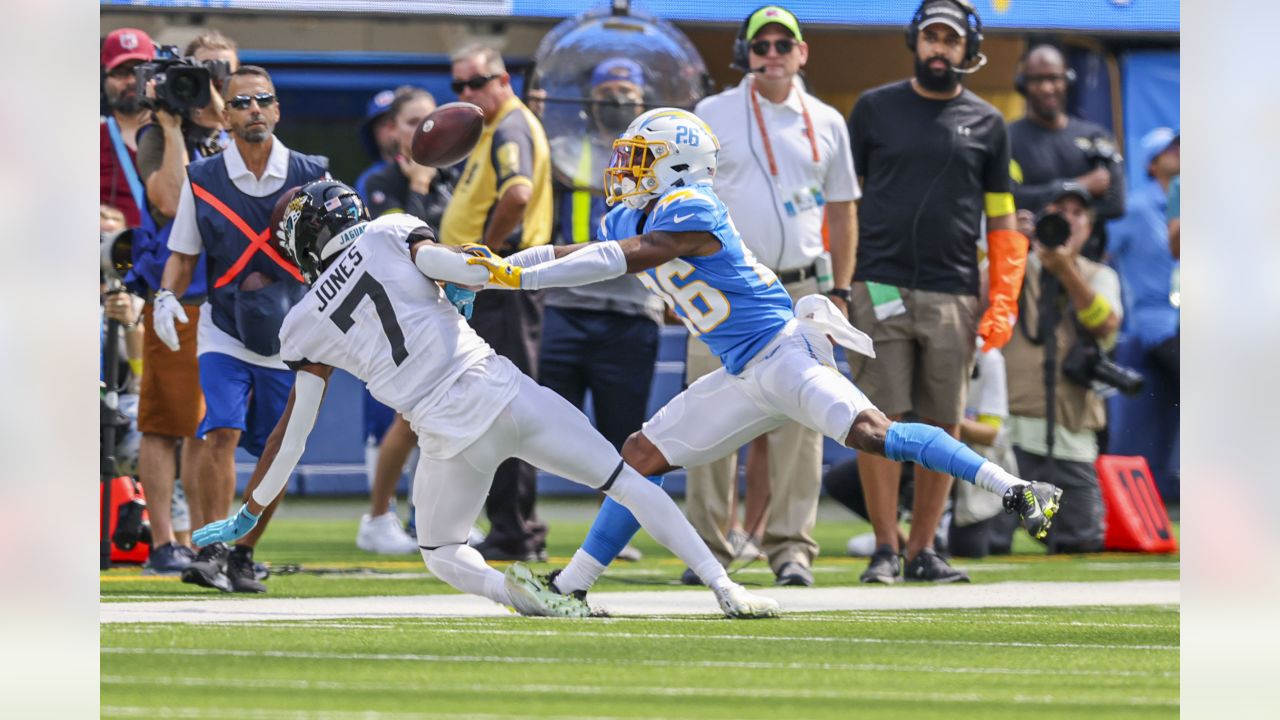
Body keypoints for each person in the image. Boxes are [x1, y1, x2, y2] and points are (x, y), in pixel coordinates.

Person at [463, 108, 1060, 600]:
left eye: (640, 158)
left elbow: (623, 258)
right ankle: (571, 588)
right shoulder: (636, 210)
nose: (626, 170)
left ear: (678, 163)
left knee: (873, 432)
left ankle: (1017, 488)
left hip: (784, 352)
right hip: (743, 371)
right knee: (640, 457)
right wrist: (498, 268)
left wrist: (518, 282)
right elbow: (575, 250)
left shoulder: (692, 206)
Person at [191, 179, 780, 620]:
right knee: (627, 481)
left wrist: (251, 514)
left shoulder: (302, 323)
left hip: (445, 432)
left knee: (442, 551)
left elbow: (292, 438)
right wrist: (475, 277)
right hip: (501, 388)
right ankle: (724, 586)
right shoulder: (391, 228)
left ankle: (518, 596)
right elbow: (461, 267)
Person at [845, 0, 1029, 583]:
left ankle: (924, 549)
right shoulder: (873, 109)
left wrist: (1003, 295)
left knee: (945, 424)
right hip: (877, 283)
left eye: (950, 40)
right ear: (914, 41)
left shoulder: (989, 123)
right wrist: (839, 281)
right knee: (877, 418)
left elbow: (1002, 222)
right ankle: (883, 548)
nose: (939, 49)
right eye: (931, 38)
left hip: (954, 292)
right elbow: (843, 203)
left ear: (968, 49)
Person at [688, 5, 860, 587]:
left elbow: (842, 207)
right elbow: (682, 201)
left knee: (804, 424)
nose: (772, 54)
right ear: (746, 53)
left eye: (784, 43)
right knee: (705, 416)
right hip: (725, 290)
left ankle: (791, 551)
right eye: (761, 44)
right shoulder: (710, 115)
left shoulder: (828, 120)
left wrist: (840, 287)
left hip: (803, 287)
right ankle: (707, 549)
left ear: (802, 53)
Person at [154, 66, 330, 593]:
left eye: (264, 100)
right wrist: (166, 295)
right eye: (243, 102)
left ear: (276, 110)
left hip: (292, 331)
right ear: (225, 115)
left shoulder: (313, 173)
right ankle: (210, 548)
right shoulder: (202, 177)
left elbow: (338, 255)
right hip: (223, 326)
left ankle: (243, 553)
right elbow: (183, 254)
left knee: (280, 449)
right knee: (220, 429)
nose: (255, 108)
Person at [540, 58, 663, 563]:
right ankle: (521, 523)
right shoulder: (561, 149)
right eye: (607, 90)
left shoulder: (661, 157)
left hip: (630, 309)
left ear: (643, 100)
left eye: (627, 91)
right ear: (588, 100)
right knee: (544, 421)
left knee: (623, 427)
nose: (616, 100)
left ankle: (612, 531)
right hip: (563, 304)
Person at [130, 29, 239, 575]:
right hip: (178, 293)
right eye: (204, 71)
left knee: (212, 425)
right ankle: (165, 541)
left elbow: (235, 138)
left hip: (227, 296)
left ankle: (203, 541)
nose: (212, 82)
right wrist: (173, 124)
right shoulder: (158, 132)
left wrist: (217, 98)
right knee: (165, 422)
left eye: (224, 71)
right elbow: (170, 201)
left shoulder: (235, 126)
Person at [439, 44, 553, 562]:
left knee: (504, 406)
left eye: (477, 82)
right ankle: (508, 524)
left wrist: (483, 259)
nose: (467, 94)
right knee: (492, 404)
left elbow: (518, 194)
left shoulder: (508, 126)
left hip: (502, 284)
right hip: (496, 285)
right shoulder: (493, 128)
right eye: (458, 86)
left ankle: (515, 528)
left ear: (503, 79)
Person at [356, 87, 459, 555]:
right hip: (389, 319)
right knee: (398, 419)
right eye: (412, 120)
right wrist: (416, 188)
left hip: (439, 315)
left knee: (439, 420)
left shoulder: (450, 181)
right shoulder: (378, 181)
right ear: (393, 129)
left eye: (429, 119)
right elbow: (400, 250)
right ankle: (379, 517)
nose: (423, 128)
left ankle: (427, 518)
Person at [1005, 184, 1121, 553]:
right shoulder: (1014, 263)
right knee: (979, 542)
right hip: (1009, 435)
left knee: (1082, 540)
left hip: (1070, 433)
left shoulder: (1099, 274)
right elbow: (977, 308)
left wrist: (1065, 269)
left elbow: (1105, 325)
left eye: (1078, 213)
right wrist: (1009, 244)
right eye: (1059, 210)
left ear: (1088, 227)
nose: (1068, 219)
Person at [1009, 45, 1125, 223]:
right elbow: (1009, 198)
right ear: (1023, 84)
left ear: (1068, 80)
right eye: (1037, 79)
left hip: (1087, 251)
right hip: (1029, 249)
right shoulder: (1007, 138)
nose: (1047, 88)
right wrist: (1078, 186)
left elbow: (1116, 204)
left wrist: (1043, 201)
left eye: (1054, 78)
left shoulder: (1095, 136)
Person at [1108, 128, 1179, 382]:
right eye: (1171, 149)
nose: (1181, 153)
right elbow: (1102, 253)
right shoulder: (1135, 208)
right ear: (1152, 164)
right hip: (1159, 326)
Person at [101, 27, 156, 229]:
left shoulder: (178, 133)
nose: (132, 81)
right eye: (121, 73)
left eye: (140, 71)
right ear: (103, 79)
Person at [353, 88, 400, 202]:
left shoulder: (432, 169)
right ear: (373, 133)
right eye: (384, 124)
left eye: (394, 121)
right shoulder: (367, 180)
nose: (391, 129)